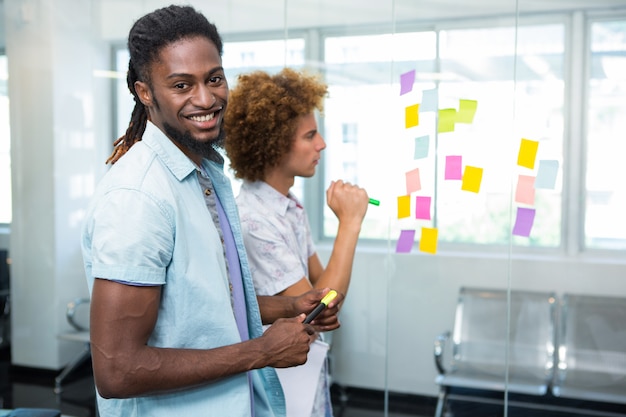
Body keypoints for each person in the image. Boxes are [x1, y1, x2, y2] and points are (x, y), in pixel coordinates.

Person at [80, 6, 343, 417]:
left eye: (214, 79)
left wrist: (288, 307)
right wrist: (261, 351)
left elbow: (206, 304)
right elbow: (117, 370)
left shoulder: (204, 174)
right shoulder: (137, 198)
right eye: (182, 85)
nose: (206, 98)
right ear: (145, 93)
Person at [224, 68, 370, 417]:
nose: (321, 144)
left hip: (308, 375)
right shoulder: (254, 220)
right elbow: (317, 308)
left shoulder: (289, 207)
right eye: (310, 136)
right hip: (280, 382)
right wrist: (350, 224)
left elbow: (328, 295)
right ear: (274, 146)